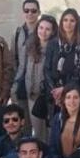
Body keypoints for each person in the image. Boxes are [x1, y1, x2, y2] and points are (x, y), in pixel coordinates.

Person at [46, 8, 80, 109]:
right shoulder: (53, 43)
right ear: (61, 22)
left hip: (76, 95)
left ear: (77, 23)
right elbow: (47, 69)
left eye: (72, 20)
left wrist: (65, 89)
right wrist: (55, 91)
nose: (68, 23)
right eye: (65, 20)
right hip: (56, 96)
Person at [19, 14, 56, 142]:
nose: (43, 32)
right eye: (41, 27)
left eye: (47, 29)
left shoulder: (55, 48)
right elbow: (22, 69)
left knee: (51, 134)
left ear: (53, 32)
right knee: (38, 134)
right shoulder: (30, 46)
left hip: (49, 97)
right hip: (32, 96)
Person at [48, 84, 80, 158]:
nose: (72, 101)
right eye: (68, 97)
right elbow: (52, 147)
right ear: (63, 100)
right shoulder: (57, 119)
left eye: (75, 97)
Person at [10, 0, 41, 119]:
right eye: (26, 10)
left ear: (38, 12)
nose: (30, 14)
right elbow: (13, 59)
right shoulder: (17, 33)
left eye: (33, 11)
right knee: (22, 127)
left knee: (38, 129)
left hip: (36, 88)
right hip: (20, 85)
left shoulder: (44, 31)